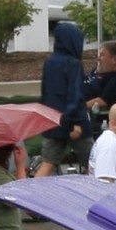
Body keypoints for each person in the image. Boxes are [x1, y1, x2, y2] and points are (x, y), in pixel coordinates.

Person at [36, 20, 90, 174]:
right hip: (73, 120)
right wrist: (76, 122)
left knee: (48, 163)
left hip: (53, 119)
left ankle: (33, 193)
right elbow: (75, 94)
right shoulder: (74, 64)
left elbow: (45, 91)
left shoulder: (49, 62)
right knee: (91, 163)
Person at [84, 41, 116, 134]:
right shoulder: (100, 73)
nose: (98, 58)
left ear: (114, 59)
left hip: (104, 127)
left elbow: (102, 101)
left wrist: (78, 107)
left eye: (102, 55)